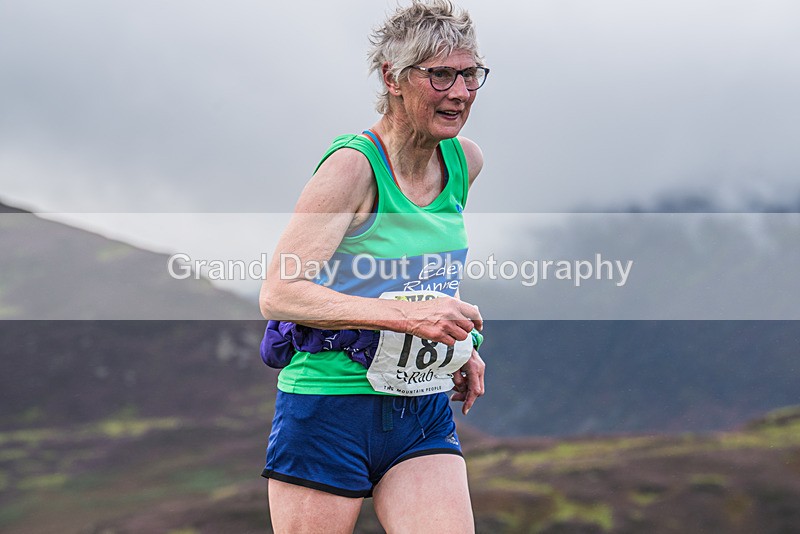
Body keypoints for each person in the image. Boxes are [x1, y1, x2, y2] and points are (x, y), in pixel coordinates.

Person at [258, 1, 489, 532]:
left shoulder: (463, 161)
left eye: (470, 74)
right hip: (328, 409)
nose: (460, 92)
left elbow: (425, 276)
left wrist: (458, 345)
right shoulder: (353, 168)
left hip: (420, 407)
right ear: (392, 77)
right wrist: (411, 320)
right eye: (441, 75)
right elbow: (280, 292)